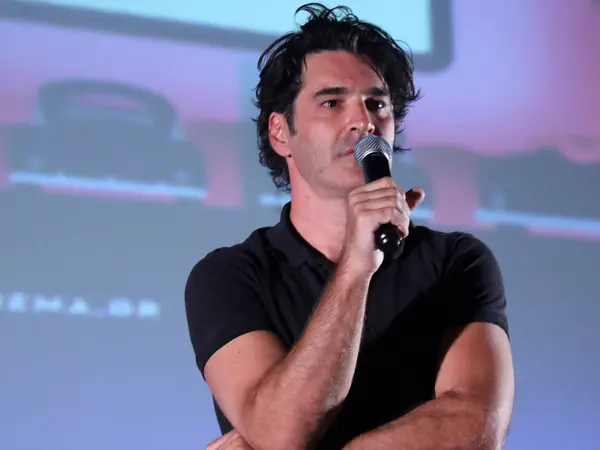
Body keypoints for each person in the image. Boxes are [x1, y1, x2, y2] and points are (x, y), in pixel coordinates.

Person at [185, 3, 515, 449]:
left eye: (377, 104)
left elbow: (475, 425)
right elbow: (280, 431)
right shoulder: (230, 276)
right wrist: (356, 269)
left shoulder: (454, 261)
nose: (363, 121)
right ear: (280, 133)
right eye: (332, 102)